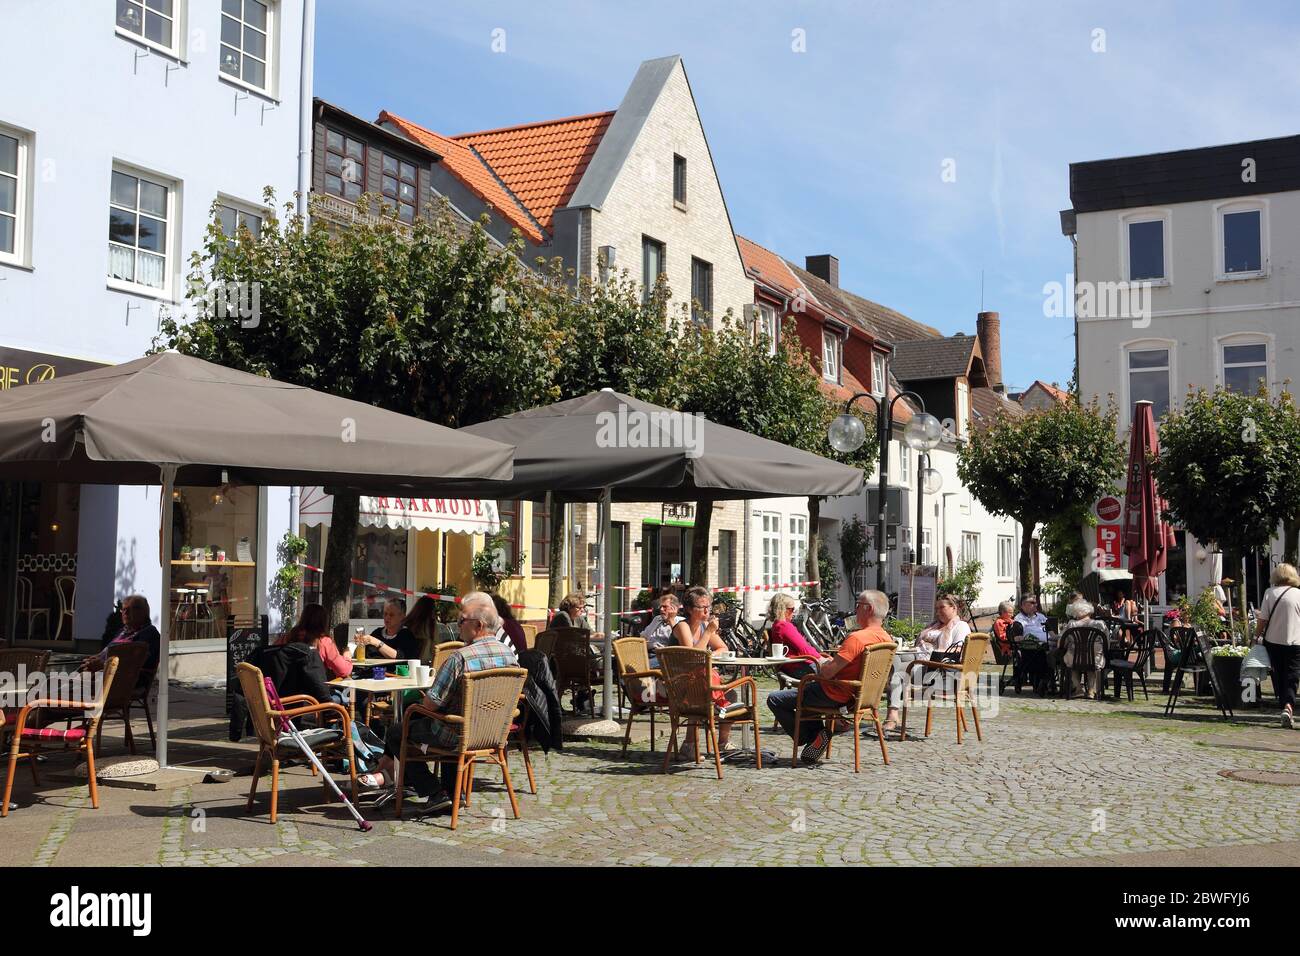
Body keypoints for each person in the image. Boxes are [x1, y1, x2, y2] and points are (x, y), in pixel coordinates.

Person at [368, 592, 519, 812]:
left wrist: (417, 703)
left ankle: (433, 791)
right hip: (493, 733)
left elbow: (431, 704)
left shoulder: (460, 657)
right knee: (440, 722)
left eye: (461, 621)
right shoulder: (509, 656)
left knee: (396, 732)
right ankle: (453, 792)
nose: (457, 626)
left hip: (454, 733)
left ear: (477, 625)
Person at [766, 589, 893, 765]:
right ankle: (817, 737)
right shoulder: (887, 639)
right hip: (862, 697)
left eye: (858, 605)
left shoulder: (857, 638)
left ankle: (813, 736)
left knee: (775, 699)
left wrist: (825, 663)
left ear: (869, 609)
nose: (855, 610)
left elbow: (826, 673)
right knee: (808, 694)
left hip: (835, 694)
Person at [670, 585, 737, 751]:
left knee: (731, 694)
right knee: (710, 693)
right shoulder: (682, 627)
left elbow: (723, 648)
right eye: (702, 607)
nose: (707, 611)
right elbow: (692, 657)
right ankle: (691, 744)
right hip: (680, 684)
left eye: (709, 607)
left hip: (698, 682)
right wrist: (708, 633)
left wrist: (710, 654)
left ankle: (722, 742)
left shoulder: (702, 625)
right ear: (689, 609)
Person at [1256, 563, 1300, 729]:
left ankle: (1284, 705)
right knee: (1292, 674)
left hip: (1273, 641)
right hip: (1296, 641)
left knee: (1278, 673)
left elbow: (1263, 619)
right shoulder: (1298, 594)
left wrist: (1255, 636)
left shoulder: (1270, 593)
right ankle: (1289, 705)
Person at [82, 594, 160, 680]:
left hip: (120, 686)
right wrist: (95, 658)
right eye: (124, 609)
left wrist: (103, 666)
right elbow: (108, 653)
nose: (125, 613)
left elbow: (134, 666)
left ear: (144, 612)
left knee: (69, 688)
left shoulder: (149, 633)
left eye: (131, 609)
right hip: (100, 678)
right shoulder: (123, 632)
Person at [767, 592, 828, 681]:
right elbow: (804, 649)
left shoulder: (776, 625)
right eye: (792, 609)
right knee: (838, 673)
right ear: (783, 610)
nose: (794, 612)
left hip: (790, 667)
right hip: (798, 667)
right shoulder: (784, 626)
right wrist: (822, 659)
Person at [287, 603, 351, 680]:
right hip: (314, 690)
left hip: (287, 690)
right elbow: (343, 671)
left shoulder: (287, 637)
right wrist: (347, 657)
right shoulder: (323, 641)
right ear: (323, 622)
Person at [1060, 598, 1105, 698]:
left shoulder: (1071, 624)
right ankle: (1091, 690)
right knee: (1092, 666)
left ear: (1076, 613)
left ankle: (1078, 688)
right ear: (1090, 611)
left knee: (1071, 664)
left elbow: (1063, 641)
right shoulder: (1100, 624)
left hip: (1075, 658)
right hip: (1095, 658)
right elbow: (1107, 642)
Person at [915, 595, 971, 660]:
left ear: (954, 608)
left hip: (936, 663)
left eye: (942, 607)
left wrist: (933, 654)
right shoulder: (933, 626)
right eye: (936, 609)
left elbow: (958, 650)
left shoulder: (961, 626)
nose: (938, 612)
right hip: (918, 656)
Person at [640, 592, 682, 665]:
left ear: (674, 608)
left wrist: (671, 619)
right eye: (661, 607)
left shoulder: (680, 622)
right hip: (646, 652)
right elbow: (643, 636)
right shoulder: (657, 619)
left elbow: (679, 641)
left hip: (664, 657)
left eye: (665, 607)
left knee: (640, 666)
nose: (661, 609)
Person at [401, 595, 443, 664]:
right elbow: (435, 646)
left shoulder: (407, 622)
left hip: (406, 662)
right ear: (431, 610)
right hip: (423, 664)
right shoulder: (431, 625)